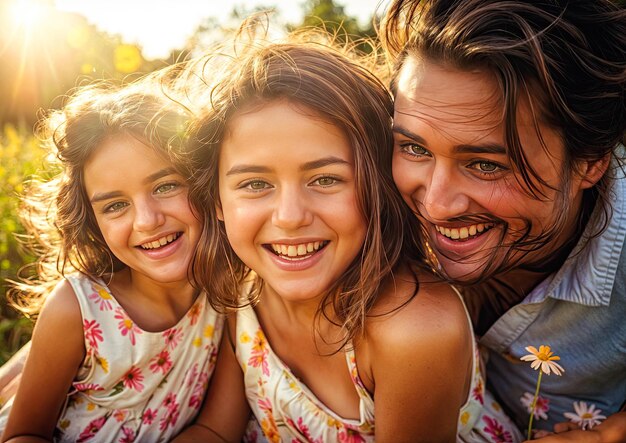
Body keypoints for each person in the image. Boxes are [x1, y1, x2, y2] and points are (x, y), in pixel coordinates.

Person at [173, 36, 521, 442]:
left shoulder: (414, 329)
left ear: (378, 186)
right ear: (215, 199)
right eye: (254, 183)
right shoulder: (246, 291)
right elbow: (216, 430)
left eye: (325, 179)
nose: (289, 217)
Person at [380, 0, 626, 439]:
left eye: (486, 165)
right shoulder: (358, 218)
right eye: (415, 149)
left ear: (590, 161)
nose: (436, 206)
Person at [0, 81, 223, 441]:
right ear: (92, 221)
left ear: (202, 181)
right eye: (116, 205)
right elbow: (23, 435)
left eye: (166, 186)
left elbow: (218, 427)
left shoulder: (225, 293)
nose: (147, 221)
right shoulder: (77, 310)